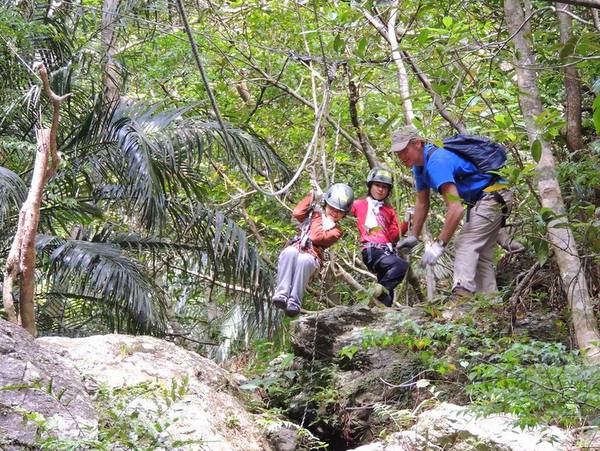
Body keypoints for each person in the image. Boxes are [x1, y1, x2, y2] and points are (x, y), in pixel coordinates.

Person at [392, 125, 512, 300]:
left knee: (465, 243)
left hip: (492, 196)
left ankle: (462, 294)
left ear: (417, 143)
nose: (400, 156)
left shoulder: (436, 162)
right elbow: (422, 203)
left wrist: (439, 245)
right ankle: (491, 304)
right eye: (397, 153)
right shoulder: (419, 167)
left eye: (403, 150)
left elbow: (456, 209)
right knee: (481, 256)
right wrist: (414, 235)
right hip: (488, 198)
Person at [271, 183, 354, 316]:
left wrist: (317, 214)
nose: (334, 212)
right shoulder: (313, 213)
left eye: (339, 211)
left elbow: (316, 236)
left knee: (304, 261)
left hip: (312, 256)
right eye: (332, 207)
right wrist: (312, 196)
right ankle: (282, 294)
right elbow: (297, 213)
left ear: (344, 215)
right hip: (297, 247)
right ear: (326, 204)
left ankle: (294, 302)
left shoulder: (337, 231)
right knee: (289, 252)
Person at [351, 166, 408, 307]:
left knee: (388, 298)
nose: (380, 189)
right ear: (370, 186)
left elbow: (394, 236)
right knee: (401, 265)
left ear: (388, 191)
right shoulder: (359, 204)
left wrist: (407, 221)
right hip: (372, 250)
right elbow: (341, 210)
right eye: (377, 185)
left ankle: (381, 311)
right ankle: (376, 292)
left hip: (387, 251)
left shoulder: (389, 211)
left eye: (384, 187)